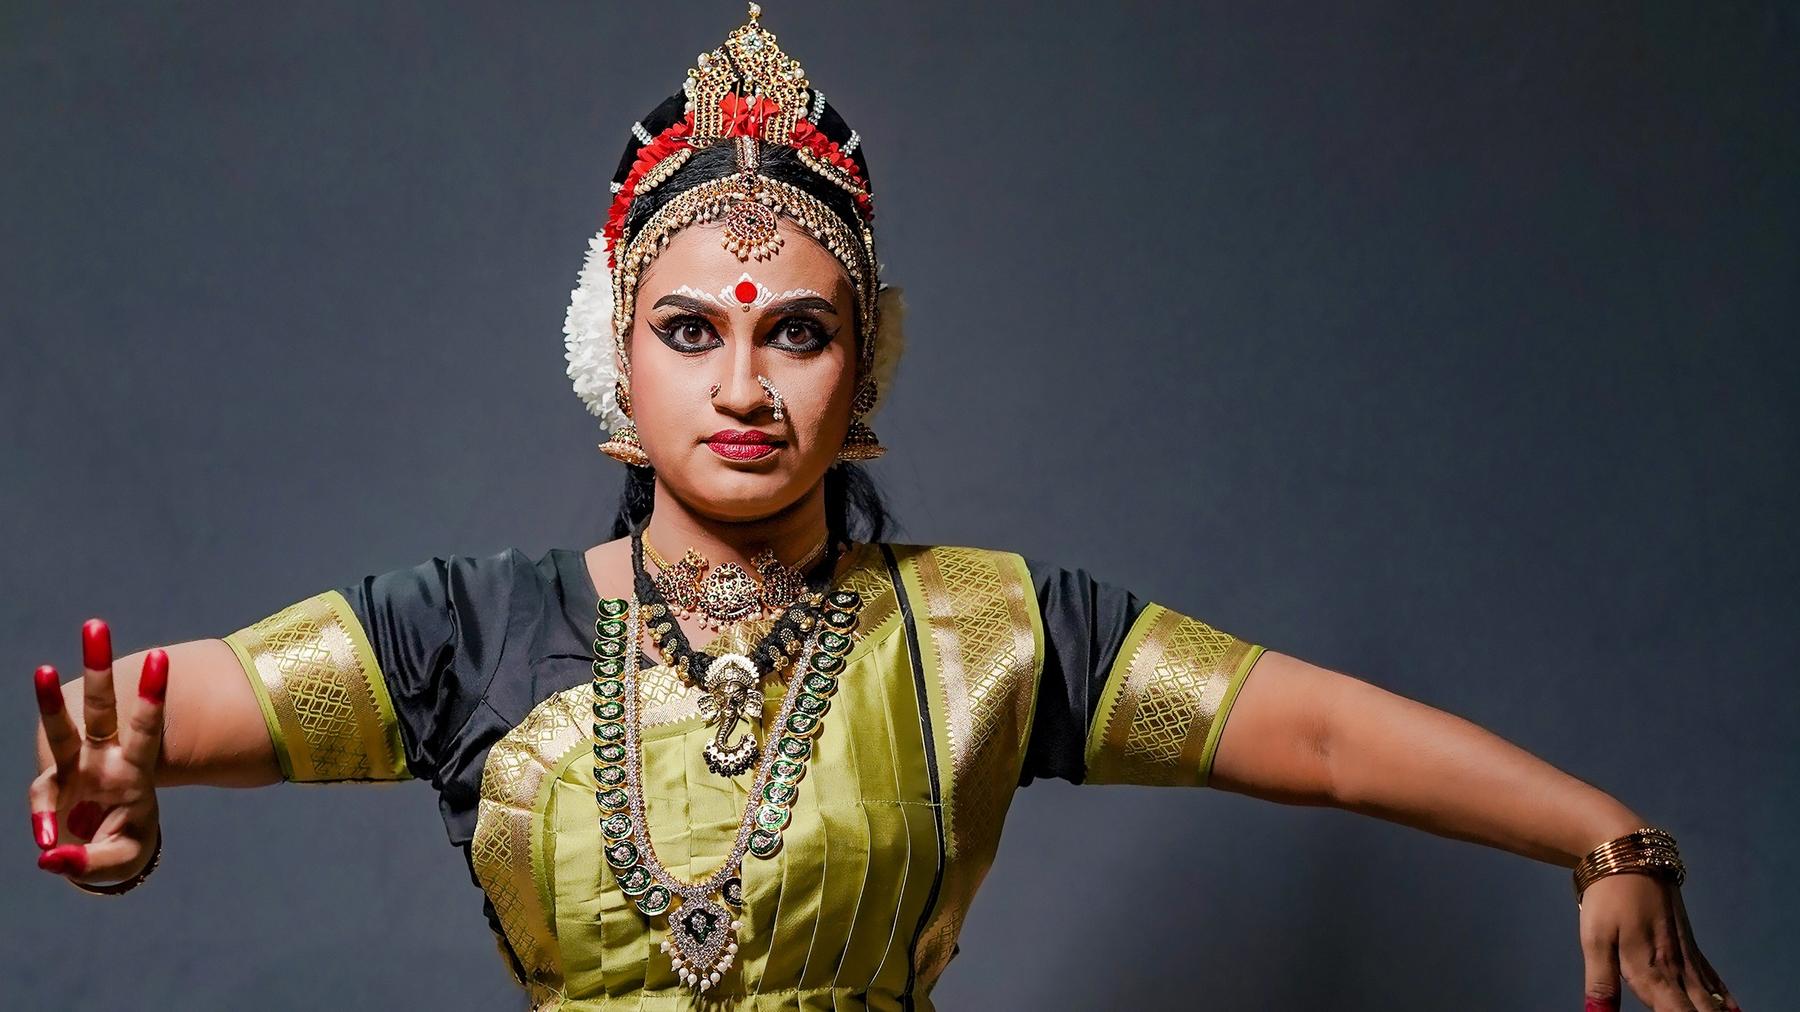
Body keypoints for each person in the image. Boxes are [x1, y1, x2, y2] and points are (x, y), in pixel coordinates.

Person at [26, 6, 1739, 1011]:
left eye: (797, 332)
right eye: (690, 332)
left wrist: (1601, 832)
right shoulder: (466, 634)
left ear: (865, 366)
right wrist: (114, 781)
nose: (744, 385)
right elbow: (148, 715)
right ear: (614, 359)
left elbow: (1330, 739)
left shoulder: (988, 637)